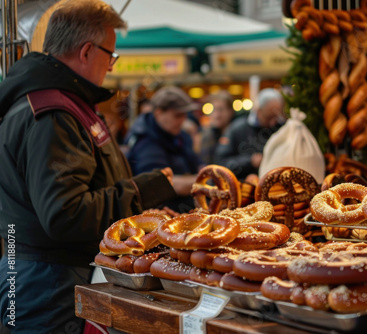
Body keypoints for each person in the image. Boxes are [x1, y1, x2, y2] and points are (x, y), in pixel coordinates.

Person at [0, 1, 177, 332]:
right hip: (47, 285)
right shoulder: (54, 114)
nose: (111, 66)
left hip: (49, 279)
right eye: (111, 54)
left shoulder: (63, 104)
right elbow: (65, 215)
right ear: (86, 51)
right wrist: (144, 190)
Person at [125, 86, 205, 213]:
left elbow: (197, 164)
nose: (183, 120)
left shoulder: (178, 135)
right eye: (177, 115)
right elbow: (158, 185)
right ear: (158, 112)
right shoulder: (145, 142)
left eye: (185, 115)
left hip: (186, 208)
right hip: (163, 215)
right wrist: (206, 181)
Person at [214, 88, 286, 180]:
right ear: (258, 111)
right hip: (244, 188)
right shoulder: (237, 129)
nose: (273, 122)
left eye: (276, 117)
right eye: (269, 117)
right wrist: (250, 161)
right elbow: (221, 163)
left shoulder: (281, 127)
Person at [199, 90, 235, 164]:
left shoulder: (237, 133)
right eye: (213, 110)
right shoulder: (207, 136)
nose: (216, 115)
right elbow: (205, 164)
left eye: (221, 110)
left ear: (230, 111)